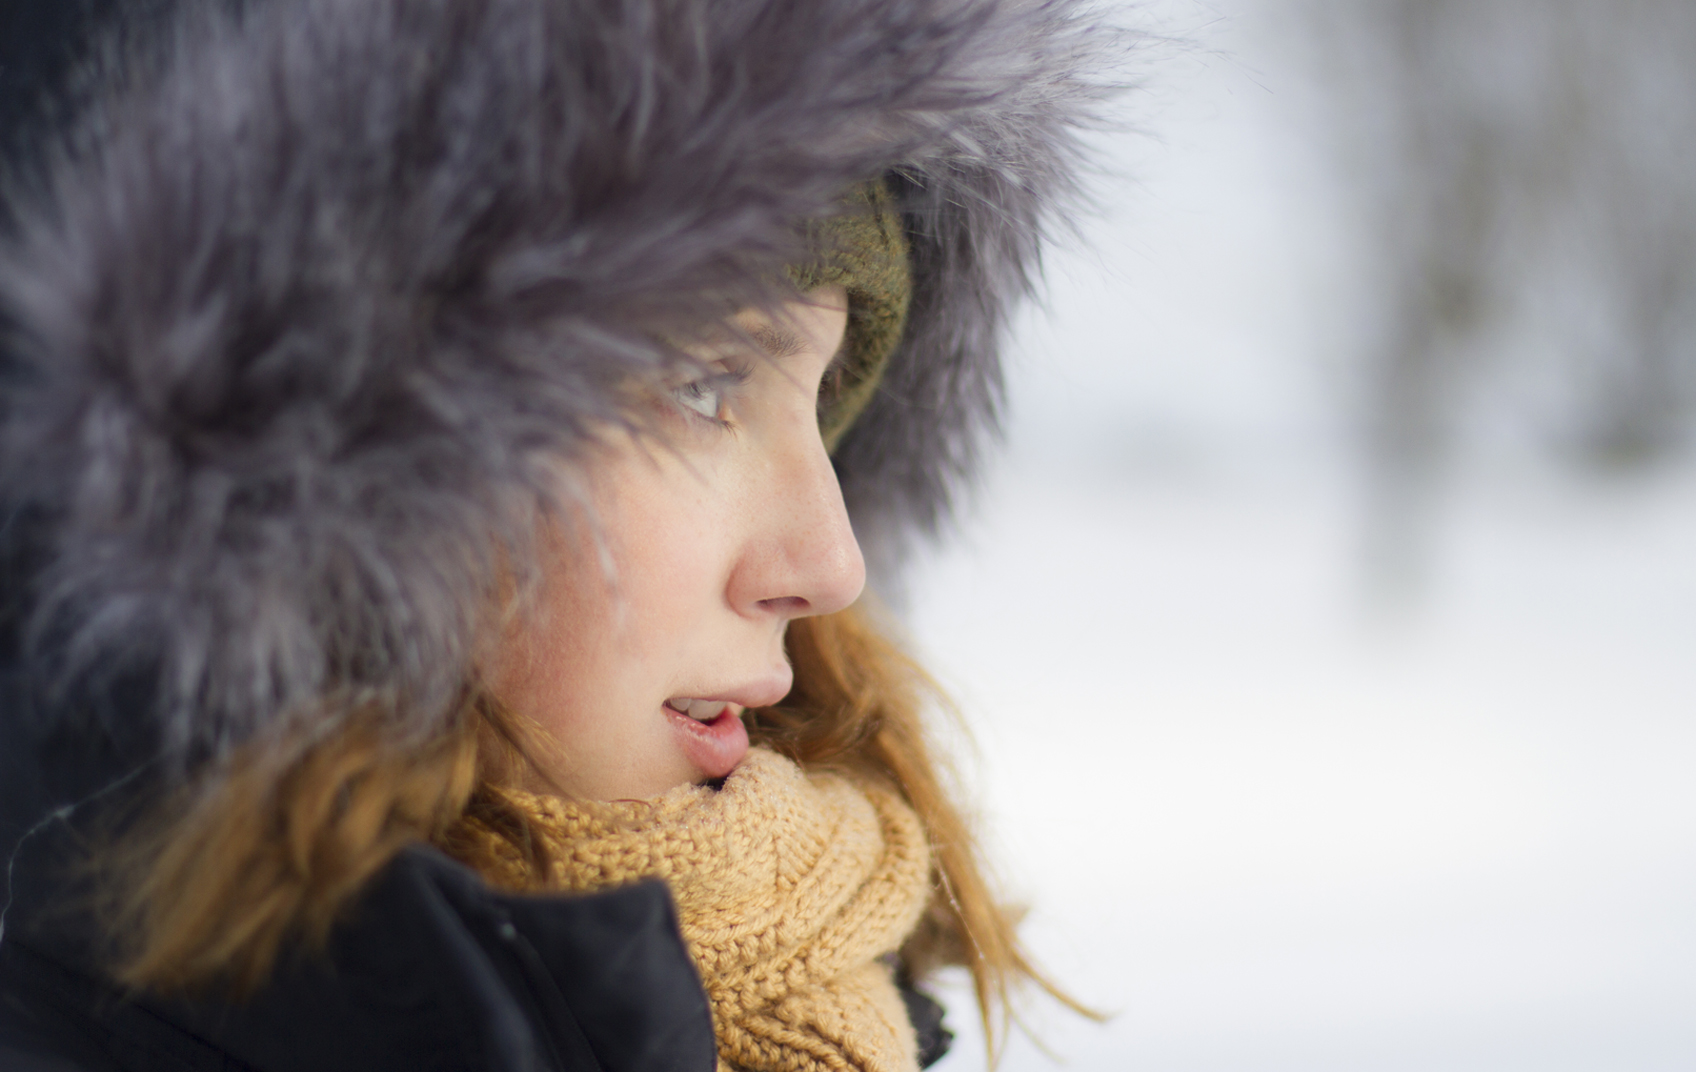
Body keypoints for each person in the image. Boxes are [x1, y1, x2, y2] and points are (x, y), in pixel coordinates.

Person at [0, 1, 1116, 1069]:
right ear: (332, 465)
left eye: (821, 402)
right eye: (703, 383)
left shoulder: (807, 975)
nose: (827, 567)